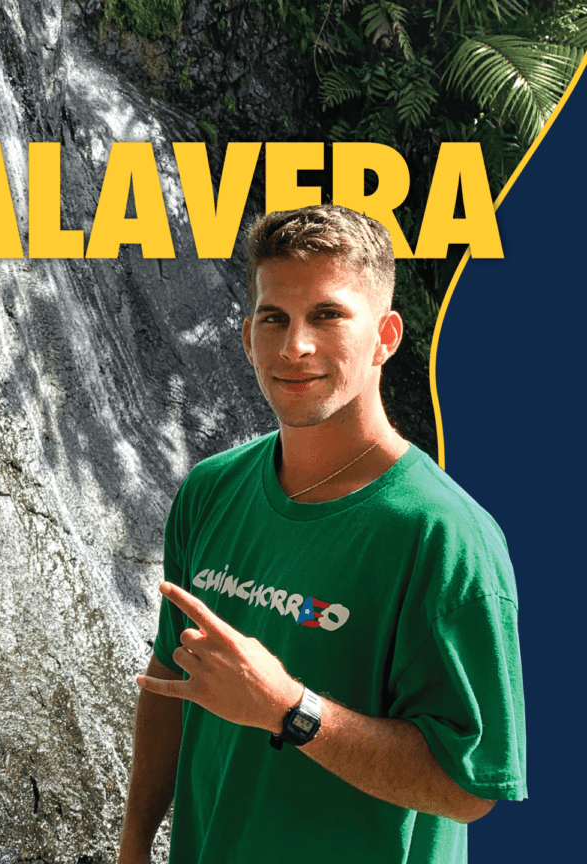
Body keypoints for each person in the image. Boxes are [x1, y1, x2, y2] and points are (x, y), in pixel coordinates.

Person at [115, 204, 526, 864]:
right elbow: (170, 678)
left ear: (386, 336)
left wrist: (290, 709)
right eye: (274, 318)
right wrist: (135, 845)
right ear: (248, 335)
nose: (294, 345)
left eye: (328, 315)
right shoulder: (210, 492)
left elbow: (468, 787)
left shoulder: (443, 537)